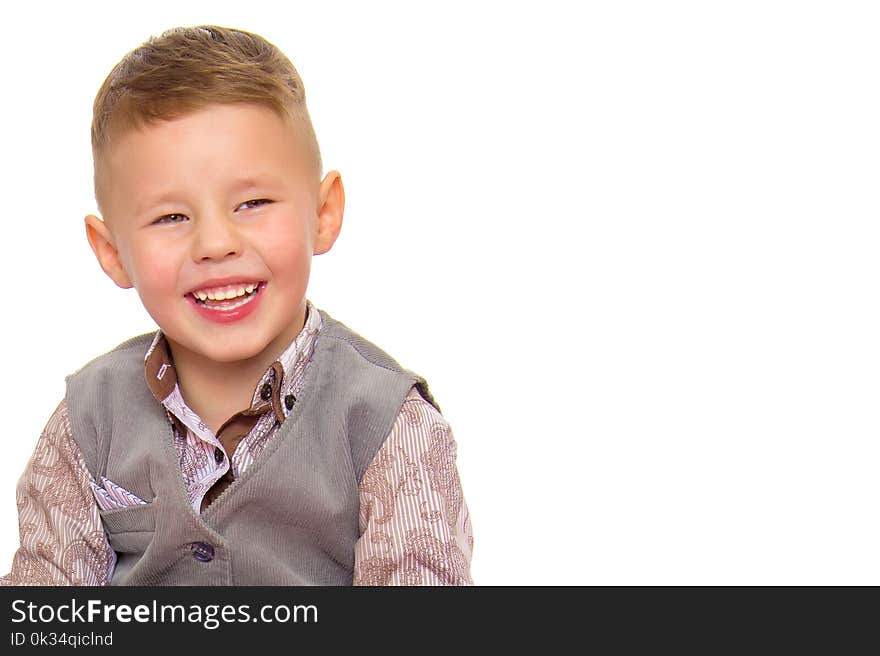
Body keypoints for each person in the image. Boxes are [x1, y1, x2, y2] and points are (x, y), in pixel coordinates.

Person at [0, 25, 472, 586]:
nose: (216, 244)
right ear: (113, 252)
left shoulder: (389, 425)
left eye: (252, 203)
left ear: (322, 214)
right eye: (171, 217)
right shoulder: (87, 422)